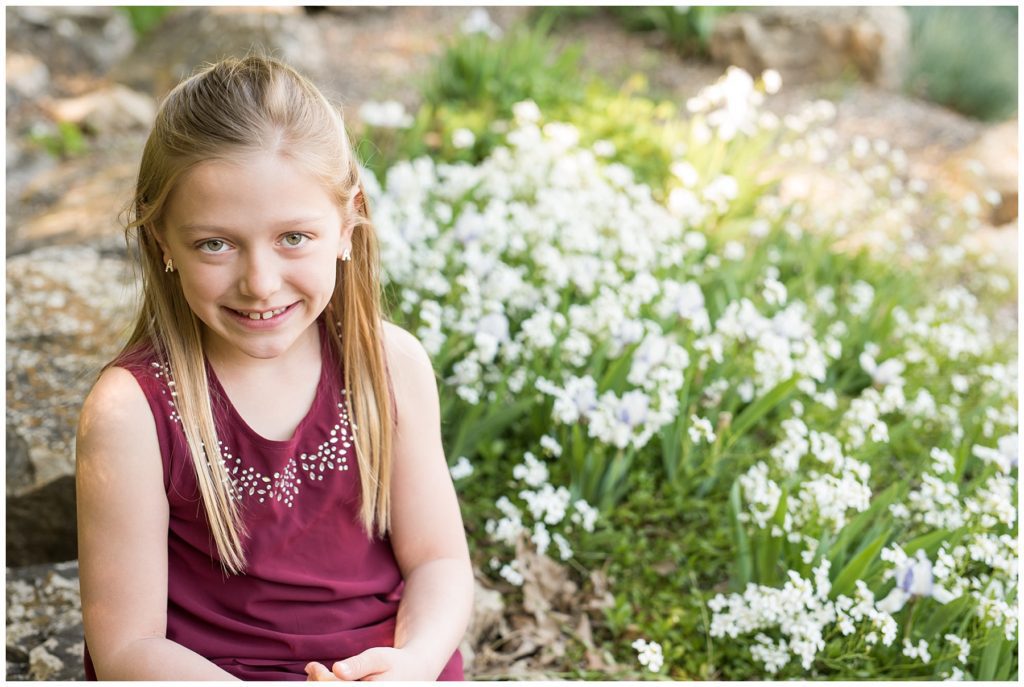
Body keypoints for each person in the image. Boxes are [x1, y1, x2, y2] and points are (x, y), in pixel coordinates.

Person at [75, 55, 474, 681]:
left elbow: (440, 564)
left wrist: (414, 662)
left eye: (294, 237)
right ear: (163, 245)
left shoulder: (388, 366)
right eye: (216, 243)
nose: (260, 283)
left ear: (346, 225)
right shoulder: (132, 410)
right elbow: (126, 646)